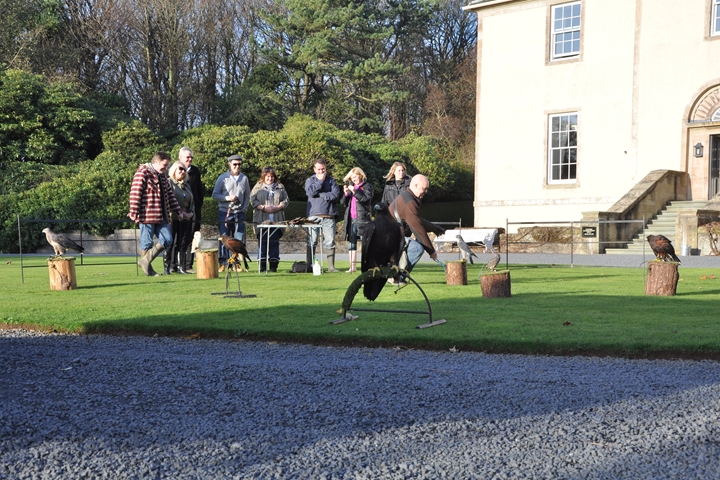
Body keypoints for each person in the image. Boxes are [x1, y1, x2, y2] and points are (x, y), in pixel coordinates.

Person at [128, 151, 189, 276]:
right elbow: (135, 193)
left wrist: (178, 211)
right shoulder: (142, 173)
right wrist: (133, 212)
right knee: (146, 243)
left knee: (167, 239)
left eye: (167, 166)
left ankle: (144, 261)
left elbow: (171, 196)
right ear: (156, 162)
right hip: (146, 215)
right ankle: (149, 271)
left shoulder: (163, 176)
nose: (166, 168)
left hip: (162, 216)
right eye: (165, 165)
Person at [390, 174, 445, 283]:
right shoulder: (409, 202)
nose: (426, 192)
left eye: (426, 189)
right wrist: (431, 251)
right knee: (417, 248)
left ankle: (396, 275)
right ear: (415, 185)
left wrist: (433, 227)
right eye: (424, 189)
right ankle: (396, 277)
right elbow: (417, 228)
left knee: (415, 246)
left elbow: (416, 220)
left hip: (391, 236)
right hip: (390, 239)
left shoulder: (407, 197)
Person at [212, 155, 250, 272]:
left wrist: (244, 208)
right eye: (235, 164)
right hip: (225, 211)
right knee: (224, 238)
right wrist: (228, 198)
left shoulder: (244, 178)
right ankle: (223, 262)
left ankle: (236, 263)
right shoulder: (222, 178)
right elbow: (215, 195)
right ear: (229, 164)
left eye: (239, 164)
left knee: (238, 239)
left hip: (239, 213)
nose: (237, 166)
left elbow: (247, 196)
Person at [305, 158, 341, 272]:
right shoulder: (310, 180)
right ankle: (309, 266)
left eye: (323, 169)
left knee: (330, 241)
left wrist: (320, 195)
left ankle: (331, 267)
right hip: (313, 215)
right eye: (319, 169)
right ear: (314, 169)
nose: (321, 171)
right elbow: (310, 193)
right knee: (312, 240)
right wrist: (320, 182)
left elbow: (335, 196)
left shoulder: (332, 181)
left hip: (329, 215)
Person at [251, 166, 289, 273]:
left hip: (276, 219)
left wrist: (278, 207)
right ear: (263, 177)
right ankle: (262, 266)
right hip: (262, 219)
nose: (270, 178)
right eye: (267, 176)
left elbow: (286, 200)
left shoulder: (280, 187)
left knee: (274, 242)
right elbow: (252, 200)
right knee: (262, 242)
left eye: (272, 176)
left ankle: (273, 266)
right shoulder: (257, 187)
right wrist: (263, 208)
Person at [339, 167, 373, 273]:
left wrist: (355, 191)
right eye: (351, 177)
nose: (353, 179)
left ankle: (368, 267)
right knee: (352, 243)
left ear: (361, 175)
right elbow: (343, 203)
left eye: (355, 176)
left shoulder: (367, 186)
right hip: (351, 219)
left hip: (363, 220)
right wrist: (346, 194)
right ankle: (352, 267)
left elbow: (366, 199)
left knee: (366, 244)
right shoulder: (351, 188)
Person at [165, 161, 195, 275]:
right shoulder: (169, 183)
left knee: (183, 242)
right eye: (180, 169)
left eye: (184, 169)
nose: (183, 171)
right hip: (173, 218)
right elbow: (168, 201)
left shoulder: (186, 185)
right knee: (170, 242)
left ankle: (181, 266)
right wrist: (177, 212)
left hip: (186, 218)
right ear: (174, 171)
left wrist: (191, 213)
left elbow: (192, 201)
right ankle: (167, 267)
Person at [179, 147, 204, 273]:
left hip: (195, 210)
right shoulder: (174, 170)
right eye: (187, 157)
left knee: (193, 237)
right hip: (180, 211)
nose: (190, 159)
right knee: (181, 237)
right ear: (180, 158)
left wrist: (198, 206)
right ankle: (178, 264)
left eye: (191, 157)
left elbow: (199, 189)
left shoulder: (195, 171)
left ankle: (188, 265)